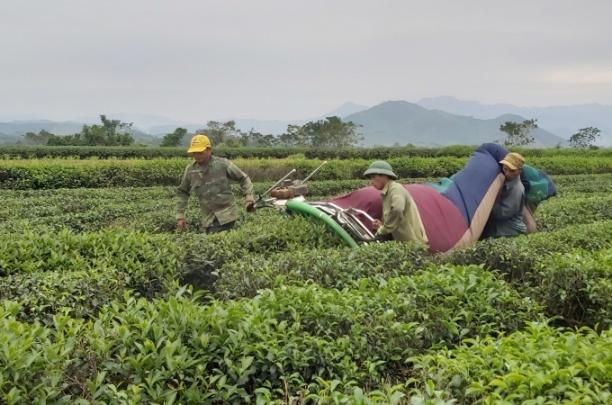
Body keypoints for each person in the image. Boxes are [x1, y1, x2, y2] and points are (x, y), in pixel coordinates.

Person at [176, 134, 254, 233]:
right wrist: (180, 216)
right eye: (194, 153)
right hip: (207, 219)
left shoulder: (223, 164)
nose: (197, 155)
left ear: (209, 150)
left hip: (227, 215)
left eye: (200, 152)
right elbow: (182, 192)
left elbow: (244, 178)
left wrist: (248, 196)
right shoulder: (191, 170)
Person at [363, 160, 428, 244]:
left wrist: (383, 230)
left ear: (384, 176)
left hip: (412, 240)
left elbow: (397, 209)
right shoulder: (387, 192)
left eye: (373, 177)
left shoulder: (396, 189)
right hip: (403, 241)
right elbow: (393, 216)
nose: (372, 182)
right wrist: (381, 225)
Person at [483, 152, 527, 237]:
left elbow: (503, 214)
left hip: (508, 232)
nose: (507, 173)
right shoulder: (506, 181)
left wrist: (489, 202)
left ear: (519, 171)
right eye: (505, 169)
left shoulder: (516, 189)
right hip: (500, 230)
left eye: (512, 171)